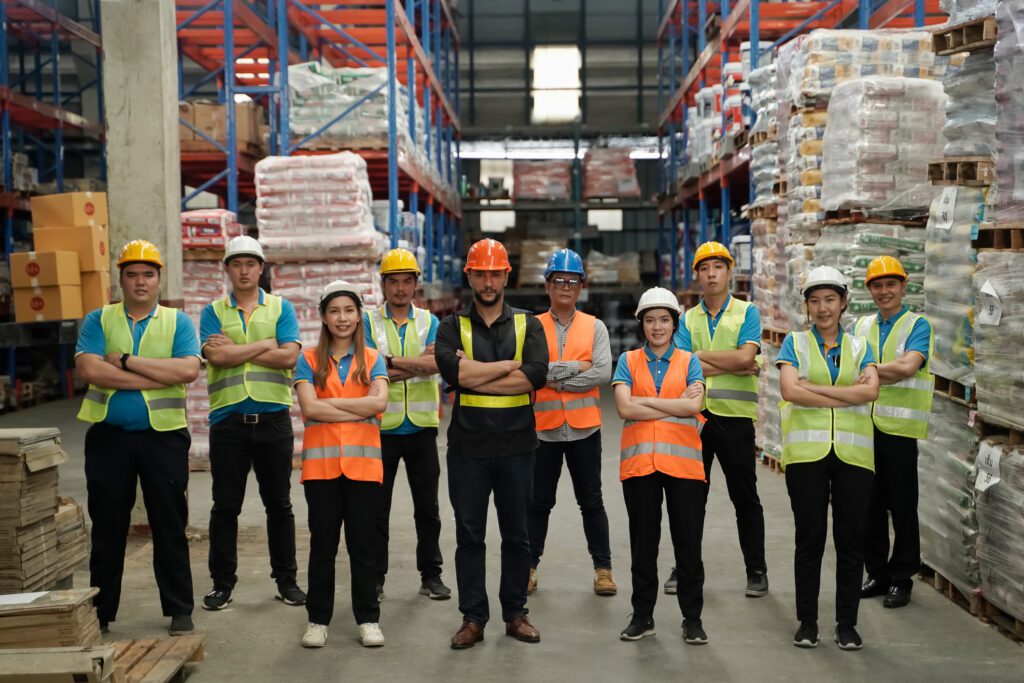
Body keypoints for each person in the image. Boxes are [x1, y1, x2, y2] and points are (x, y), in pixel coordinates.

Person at [75, 240, 200, 636]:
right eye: (132, 274)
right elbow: (90, 371)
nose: (140, 281)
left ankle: (179, 609)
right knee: (108, 528)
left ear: (159, 279)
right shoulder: (99, 320)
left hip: (162, 439)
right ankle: (102, 612)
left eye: (148, 274)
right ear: (121, 279)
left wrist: (127, 362)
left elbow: (187, 372)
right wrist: (154, 374)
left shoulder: (177, 322)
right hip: (109, 439)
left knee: (169, 525)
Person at [434, 238, 549, 649]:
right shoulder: (451, 326)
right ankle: (473, 618)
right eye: (479, 273)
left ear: (506, 276)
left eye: (494, 273)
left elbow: (534, 376)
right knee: (470, 537)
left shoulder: (528, 324)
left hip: (518, 448)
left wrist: (476, 371)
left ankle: (515, 613)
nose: (487, 281)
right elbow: (456, 375)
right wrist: (504, 367)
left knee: (517, 535)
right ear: (470, 276)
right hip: (468, 450)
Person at [776, 266, 879, 651]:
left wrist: (812, 388)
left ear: (844, 303)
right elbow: (790, 391)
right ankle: (807, 622)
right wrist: (841, 392)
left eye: (830, 300)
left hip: (854, 455)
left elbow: (871, 393)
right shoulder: (794, 343)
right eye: (815, 300)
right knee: (810, 539)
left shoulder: (859, 346)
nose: (823, 308)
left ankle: (847, 623)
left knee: (851, 541)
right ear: (806, 305)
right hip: (807, 455)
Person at [199, 236, 305, 611]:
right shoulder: (212, 311)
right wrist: (265, 345)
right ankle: (222, 584)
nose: (243, 271)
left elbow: (291, 357)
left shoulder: (280, 307)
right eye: (236, 264)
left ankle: (287, 581)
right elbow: (218, 358)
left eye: (250, 264)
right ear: (227, 269)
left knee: (279, 504)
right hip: (229, 422)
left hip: (273, 419)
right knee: (225, 507)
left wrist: (237, 350)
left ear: (261, 269)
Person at [293, 281, 390, 649]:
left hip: (364, 469)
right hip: (322, 471)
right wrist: (358, 404)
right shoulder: (308, 359)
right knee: (323, 547)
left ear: (358, 315)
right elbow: (309, 408)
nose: (342, 318)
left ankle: (368, 619)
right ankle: (318, 619)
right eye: (334, 311)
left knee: (364, 547)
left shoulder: (373, 357)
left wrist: (331, 405)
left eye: (349, 310)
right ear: (323, 317)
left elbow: (379, 406)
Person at [612, 287, 709, 645]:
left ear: (674, 324)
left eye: (664, 320)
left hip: (684, 468)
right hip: (640, 467)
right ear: (641, 324)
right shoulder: (627, 360)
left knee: (688, 545)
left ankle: (693, 618)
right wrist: (671, 402)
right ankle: (642, 616)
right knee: (643, 545)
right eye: (650, 320)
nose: (657, 327)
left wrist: (644, 401)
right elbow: (623, 408)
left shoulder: (690, 361)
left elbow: (692, 407)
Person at [671, 241, 767, 598]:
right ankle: (685, 567)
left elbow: (746, 359)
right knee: (690, 498)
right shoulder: (687, 318)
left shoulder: (747, 313)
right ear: (697, 275)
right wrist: (729, 360)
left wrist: (699, 356)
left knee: (745, 498)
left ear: (729, 272)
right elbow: (682, 366)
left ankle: (756, 569)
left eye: (718, 267)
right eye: (704, 268)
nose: (711, 274)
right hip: (694, 419)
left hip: (735, 420)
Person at [527, 248, 615, 597]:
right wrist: (578, 367)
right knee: (537, 503)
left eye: (572, 281)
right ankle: (528, 567)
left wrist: (554, 376)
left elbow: (603, 372)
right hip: (543, 429)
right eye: (558, 280)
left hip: (584, 428)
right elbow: (529, 373)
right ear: (547, 286)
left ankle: (603, 569)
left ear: (581, 287)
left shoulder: (595, 327)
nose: (565, 286)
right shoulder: (531, 327)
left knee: (591, 500)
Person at [364, 248, 449, 601]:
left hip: (422, 428)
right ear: (383, 284)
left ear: (416, 283)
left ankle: (431, 575)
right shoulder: (368, 322)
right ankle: (376, 578)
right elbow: (368, 371)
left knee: (427, 508)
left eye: (407, 281)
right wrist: (414, 364)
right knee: (376, 510)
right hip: (382, 428)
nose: (400, 288)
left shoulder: (431, 322)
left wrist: (392, 362)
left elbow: (436, 365)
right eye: (393, 281)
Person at [854, 256, 934, 609]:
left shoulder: (918, 325)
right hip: (862, 427)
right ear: (869, 290)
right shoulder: (859, 327)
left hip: (899, 430)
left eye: (890, 284)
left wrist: (868, 370)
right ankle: (878, 573)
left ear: (903, 286)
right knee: (868, 505)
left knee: (902, 505)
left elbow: (907, 366)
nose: (884, 291)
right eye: (877, 285)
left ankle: (902, 577)